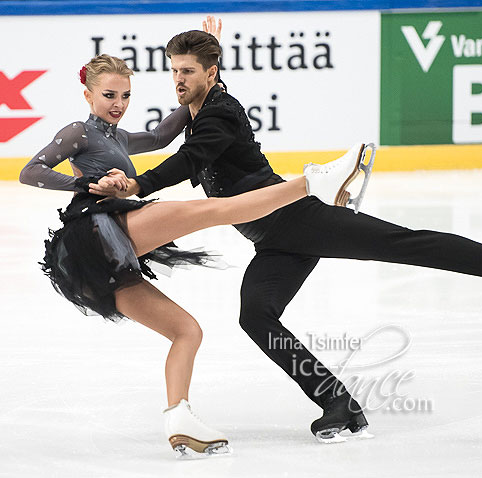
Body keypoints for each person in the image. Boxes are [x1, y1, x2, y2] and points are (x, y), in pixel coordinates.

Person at [92, 28, 482, 444]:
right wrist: (210, 47)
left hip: (298, 218)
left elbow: (189, 160)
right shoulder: (203, 103)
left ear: (211, 74)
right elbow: (189, 132)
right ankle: (337, 403)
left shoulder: (220, 110)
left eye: (188, 72)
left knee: (409, 244)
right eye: (174, 71)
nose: (178, 81)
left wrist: (138, 185)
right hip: (271, 239)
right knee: (255, 315)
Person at [19, 47, 367, 457]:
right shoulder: (79, 131)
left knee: (187, 331)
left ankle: (179, 418)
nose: (118, 104)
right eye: (109, 95)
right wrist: (85, 184)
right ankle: (315, 183)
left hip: (106, 259)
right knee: (211, 210)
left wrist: (208, 75)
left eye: (125, 96)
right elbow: (31, 171)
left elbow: (165, 133)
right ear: (88, 95)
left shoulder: (121, 138)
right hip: (94, 231)